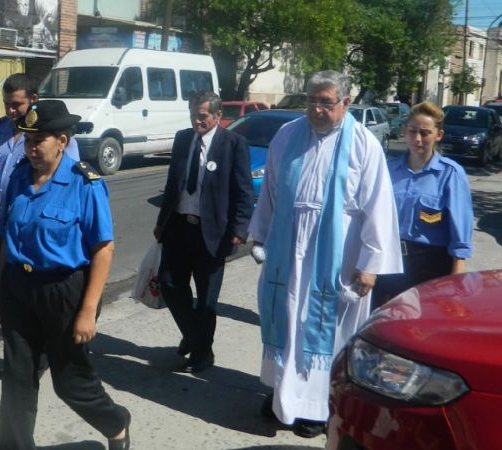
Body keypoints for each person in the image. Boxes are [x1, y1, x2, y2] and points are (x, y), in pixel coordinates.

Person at [248, 70, 402, 437]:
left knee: (325, 330)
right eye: (311, 101)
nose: (316, 109)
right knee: (285, 320)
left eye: (325, 102)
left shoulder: (364, 143)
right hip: (288, 249)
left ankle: (317, 409)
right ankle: (280, 395)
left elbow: (378, 206)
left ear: (346, 103)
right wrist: (258, 235)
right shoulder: (287, 136)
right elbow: (270, 190)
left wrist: (371, 265)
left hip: (338, 256)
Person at [0, 100, 131, 450]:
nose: (32, 148)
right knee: (17, 377)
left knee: (70, 381)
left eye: (40, 140)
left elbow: (103, 249)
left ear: (63, 141)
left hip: (64, 292)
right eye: (27, 140)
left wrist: (87, 310)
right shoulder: (20, 176)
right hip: (18, 287)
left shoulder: (85, 183)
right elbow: (9, 239)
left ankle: (116, 424)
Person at [153, 91, 253, 373]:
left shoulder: (233, 144)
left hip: (213, 234)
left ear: (218, 116)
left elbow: (243, 190)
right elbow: (173, 183)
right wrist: (162, 222)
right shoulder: (183, 139)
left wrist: (239, 228)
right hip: (178, 227)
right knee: (170, 285)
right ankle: (195, 337)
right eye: (193, 114)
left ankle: (201, 354)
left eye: (203, 116)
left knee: (207, 298)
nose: (196, 121)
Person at [372, 101, 473, 308]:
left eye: (425, 133)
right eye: (412, 131)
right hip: (389, 261)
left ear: (439, 135)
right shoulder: (388, 170)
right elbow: (373, 219)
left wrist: (455, 280)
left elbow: (460, 236)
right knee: (383, 324)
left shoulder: (450, 174)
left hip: (430, 266)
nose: (417, 139)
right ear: (404, 131)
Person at [0, 73, 80, 254]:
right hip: (7, 223)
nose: (10, 111)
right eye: (6, 104)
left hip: (41, 223)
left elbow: (70, 182)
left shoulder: (53, 135)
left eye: (16, 105)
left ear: (33, 99)